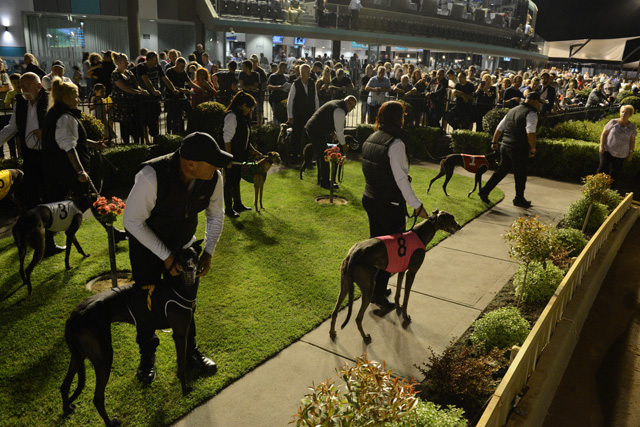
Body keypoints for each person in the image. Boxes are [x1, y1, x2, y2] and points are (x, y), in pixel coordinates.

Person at [123, 131, 231, 385]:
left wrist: (209, 251)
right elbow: (131, 221)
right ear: (190, 163)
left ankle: (190, 351)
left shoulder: (213, 178)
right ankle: (147, 358)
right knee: (146, 304)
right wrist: (165, 257)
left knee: (187, 302)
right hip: (147, 250)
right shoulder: (151, 177)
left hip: (184, 247)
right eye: (212, 161)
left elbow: (216, 215)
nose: (217, 167)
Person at [360, 100, 428, 309]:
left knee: (377, 247)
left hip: (371, 198)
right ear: (398, 118)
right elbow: (400, 180)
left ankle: (376, 288)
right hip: (388, 204)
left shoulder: (372, 137)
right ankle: (378, 294)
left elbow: (378, 172)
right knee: (390, 251)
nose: (404, 119)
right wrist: (417, 205)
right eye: (403, 116)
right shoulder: (396, 143)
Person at [478, 91, 541, 208]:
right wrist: (533, 148)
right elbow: (530, 132)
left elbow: (499, 127)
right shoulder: (531, 113)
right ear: (535, 101)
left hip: (505, 145)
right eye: (539, 103)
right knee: (520, 174)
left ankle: (485, 191)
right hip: (519, 148)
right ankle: (519, 198)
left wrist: (494, 142)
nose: (539, 106)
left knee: (501, 171)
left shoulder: (512, 111)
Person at [0, 73, 50, 213]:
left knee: (48, 189)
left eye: (28, 86)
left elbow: (60, 126)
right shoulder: (20, 103)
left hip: (48, 155)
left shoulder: (50, 100)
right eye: (22, 86)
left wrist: (44, 132)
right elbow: (11, 127)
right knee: (31, 189)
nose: (24, 90)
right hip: (29, 155)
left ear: (39, 86)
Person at [220, 91, 261, 217]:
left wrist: (252, 150)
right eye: (249, 107)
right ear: (242, 105)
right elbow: (227, 138)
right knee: (230, 182)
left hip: (238, 155)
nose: (250, 111)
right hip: (231, 156)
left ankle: (237, 204)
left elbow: (244, 137)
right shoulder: (232, 116)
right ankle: (228, 208)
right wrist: (228, 159)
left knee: (236, 180)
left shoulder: (241, 117)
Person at [304, 95, 357, 189]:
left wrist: (332, 133)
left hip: (314, 128)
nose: (351, 109)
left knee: (322, 155)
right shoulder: (340, 110)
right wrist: (344, 145)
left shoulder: (337, 104)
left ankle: (321, 180)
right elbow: (340, 130)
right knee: (324, 156)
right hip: (315, 130)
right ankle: (324, 182)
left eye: (353, 108)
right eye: (352, 106)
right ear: (347, 102)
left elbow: (328, 120)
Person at [137, 51, 180, 143]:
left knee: (156, 115)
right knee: (145, 119)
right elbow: (146, 80)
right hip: (145, 96)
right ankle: (147, 140)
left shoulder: (158, 67)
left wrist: (173, 89)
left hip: (155, 97)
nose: (157, 61)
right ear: (149, 60)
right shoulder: (141, 67)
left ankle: (155, 137)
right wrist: (153, 90)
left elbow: (165, 78)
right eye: (155, 59)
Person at [111, 53, 148, 144]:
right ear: (119, 63)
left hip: (133, 103)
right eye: (125, 61)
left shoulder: (129, 72)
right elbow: (123, 87)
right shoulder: (115, 74)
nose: (127, 63)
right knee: (125, 126)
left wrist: (141, 90)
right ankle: (126, 143)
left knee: (135, 125)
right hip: (122, 104)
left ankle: (136, 142)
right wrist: (137, 92)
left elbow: (136, 85)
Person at [597, 105, 636, 183]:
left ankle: (609, 190)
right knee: (603, 168)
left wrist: (631, 153)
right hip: (607, 150)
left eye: (626, 113)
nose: (623, 114)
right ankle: (597, 185)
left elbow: (632, 141)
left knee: (614, 173)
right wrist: (601, 146)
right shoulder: (613, 122)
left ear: (630, 115)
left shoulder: (632, 127)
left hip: (621, 154)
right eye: (622, 112)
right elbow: (604, 134)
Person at [287, 63, 319, 155]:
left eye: (309, 72)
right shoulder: (295, 84)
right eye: (307, 72)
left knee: (309, 134)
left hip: (310, 113)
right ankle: (295, 154)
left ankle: (308, 154)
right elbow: (290, 101)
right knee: (296, 134)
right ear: (301, 73)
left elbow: (316, 99)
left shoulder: (312, 82)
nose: (309, 73)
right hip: (298, 114)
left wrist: (316, 113)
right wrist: (290, 116)